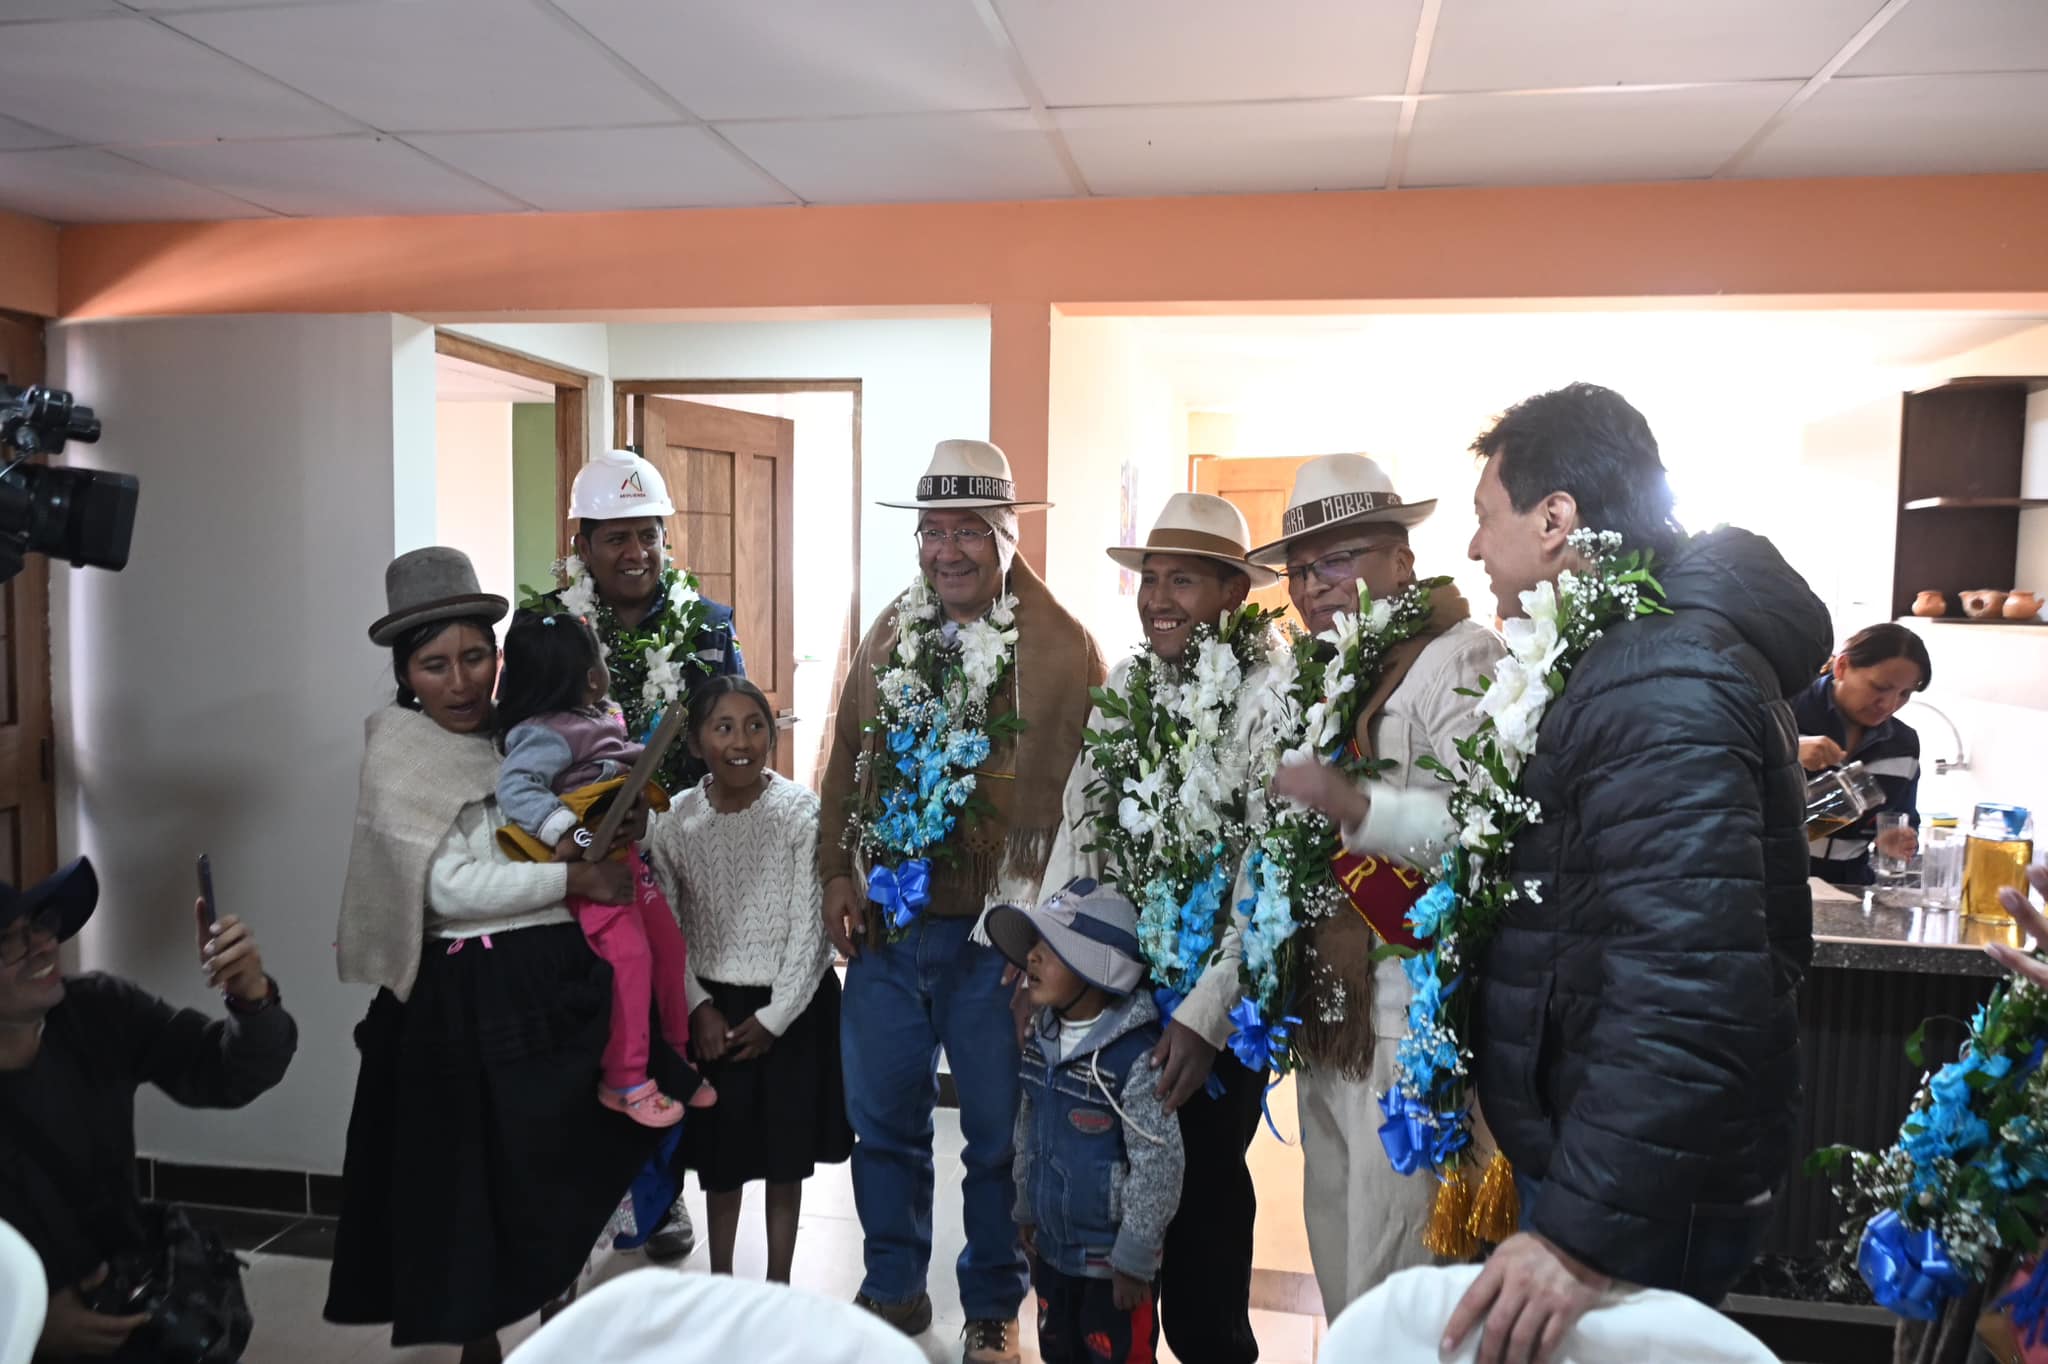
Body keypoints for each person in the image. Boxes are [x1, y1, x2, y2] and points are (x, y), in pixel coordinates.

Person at [1448, 384, 1831, 1364]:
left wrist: (1578, 1229)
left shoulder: (1655, 674)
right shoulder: (1625, 656)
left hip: (1636, 1187)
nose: (1473, 550)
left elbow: (1686, 983)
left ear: (1554, 517)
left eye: (1483, 519)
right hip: (1614, 1158)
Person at [325, 547, 667, 1364]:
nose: (460, 682)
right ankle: (481, 1344)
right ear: (406, 673)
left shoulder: (525, 736)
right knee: (466, 1195)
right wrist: (570, 874)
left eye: (475, 656)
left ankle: (562, 1330)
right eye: (435, 665)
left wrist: (609, 828)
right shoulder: (399, 755)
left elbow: (568, 823)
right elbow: (444, 888)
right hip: (457, 1012)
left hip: (552, 993)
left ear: (499, 656)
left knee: (556, 1178)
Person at [817, 439, 1106, 1364]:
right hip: (890, 931)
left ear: (1007, 537)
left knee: (995, 1139)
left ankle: (992, 1304)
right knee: (884, 1125)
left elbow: (1084, 811)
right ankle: (893, 1285)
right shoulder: (890, 630)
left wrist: (1050, 945)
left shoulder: (1062, 649)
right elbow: (844, 757)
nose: (946, 552)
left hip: (999, 942)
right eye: (931, 532)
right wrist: (836, 870)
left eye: (968, 533)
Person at [1245, 454, 1506, 1319]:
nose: (1314, 587)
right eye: (1299, 569)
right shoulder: (1319, 673)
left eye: (1338, 559)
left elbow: (1481, 831)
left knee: (1396, 1275)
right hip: (1329, 1010)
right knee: (1339, 1259)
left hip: (1406, 1017)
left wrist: (1359, 805)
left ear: (1401, 557)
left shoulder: (1458, 656)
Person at [1037, 491, 1284, 1362]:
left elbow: (1269, 879)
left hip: (1214, 1011)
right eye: (1150, 579)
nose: (1158, 600)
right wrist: (1051, 945)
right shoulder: (1130, 688)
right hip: (1118, 997)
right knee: (1112, 1214)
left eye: (1183, 580)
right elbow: (1083, 822)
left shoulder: (1271, 698)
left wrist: (1205, 1016)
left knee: (1206, 1205)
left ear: (1234, 594)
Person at [533, 448, 744, 1261]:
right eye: (615, 536)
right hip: (586, 869)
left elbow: (738, 736)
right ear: (582, 543)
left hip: (686, 862)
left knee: (675, 1029)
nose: (634, 553)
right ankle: (600, 1194)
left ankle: (664, 1198)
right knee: (601, 1031)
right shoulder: (551, 629)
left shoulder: (709, 625)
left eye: (648, 535)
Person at [0, 858, 296, 1364]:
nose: (44, 946)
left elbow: (226, 1073)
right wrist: (23, 1319)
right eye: (8, 940)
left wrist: (250, 998)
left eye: (40, 926)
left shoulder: (96, 1009)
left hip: (126, 1297)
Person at [646, 675, 853, 1283]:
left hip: (791, 1007)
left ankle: (779, 1284)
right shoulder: (674, 821)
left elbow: (809, 930)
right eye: (724, 727)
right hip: (714, 1007)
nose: (742, 741)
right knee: (723, 1156)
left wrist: (775, 1017)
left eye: (756, 725)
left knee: (785, 1157)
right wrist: (697, 1006)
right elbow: (668, 927)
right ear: (695, 742)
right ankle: (722, 1281)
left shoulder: (799, 812)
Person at [494, 607, 712, 1127]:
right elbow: (517, 788)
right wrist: (566, 831)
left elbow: (616, 755)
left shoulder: (594, 716)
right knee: (630, 958)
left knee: (669, 947)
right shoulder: (541, 733)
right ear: (590, 676)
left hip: (624, 855)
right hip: (590, 864)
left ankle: (675, 1057)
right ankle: (625, 1079)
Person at [986, 880, 1184, 1364]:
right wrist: (1027, 1208)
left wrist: (1136, 1258)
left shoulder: (1136, 1059)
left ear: (1098, 968)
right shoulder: (1040, 1041)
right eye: (1032, 945)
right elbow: (1027, 1128)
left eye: (1048, 948)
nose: (1030, 957)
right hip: (1054, 1256)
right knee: (1059, 1352)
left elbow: (1159, 1162)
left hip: (1114, 1272)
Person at [1794, 622, 1932, 884]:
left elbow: (1902, 818)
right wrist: (1786, 753)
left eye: (1904, 694)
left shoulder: (1903, 744)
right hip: (1770, 884)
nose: (1889, 705)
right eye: (1880, 687)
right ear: (1842, 666)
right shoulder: (1784, 713)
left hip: (1849, 889)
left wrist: (1896, 841)